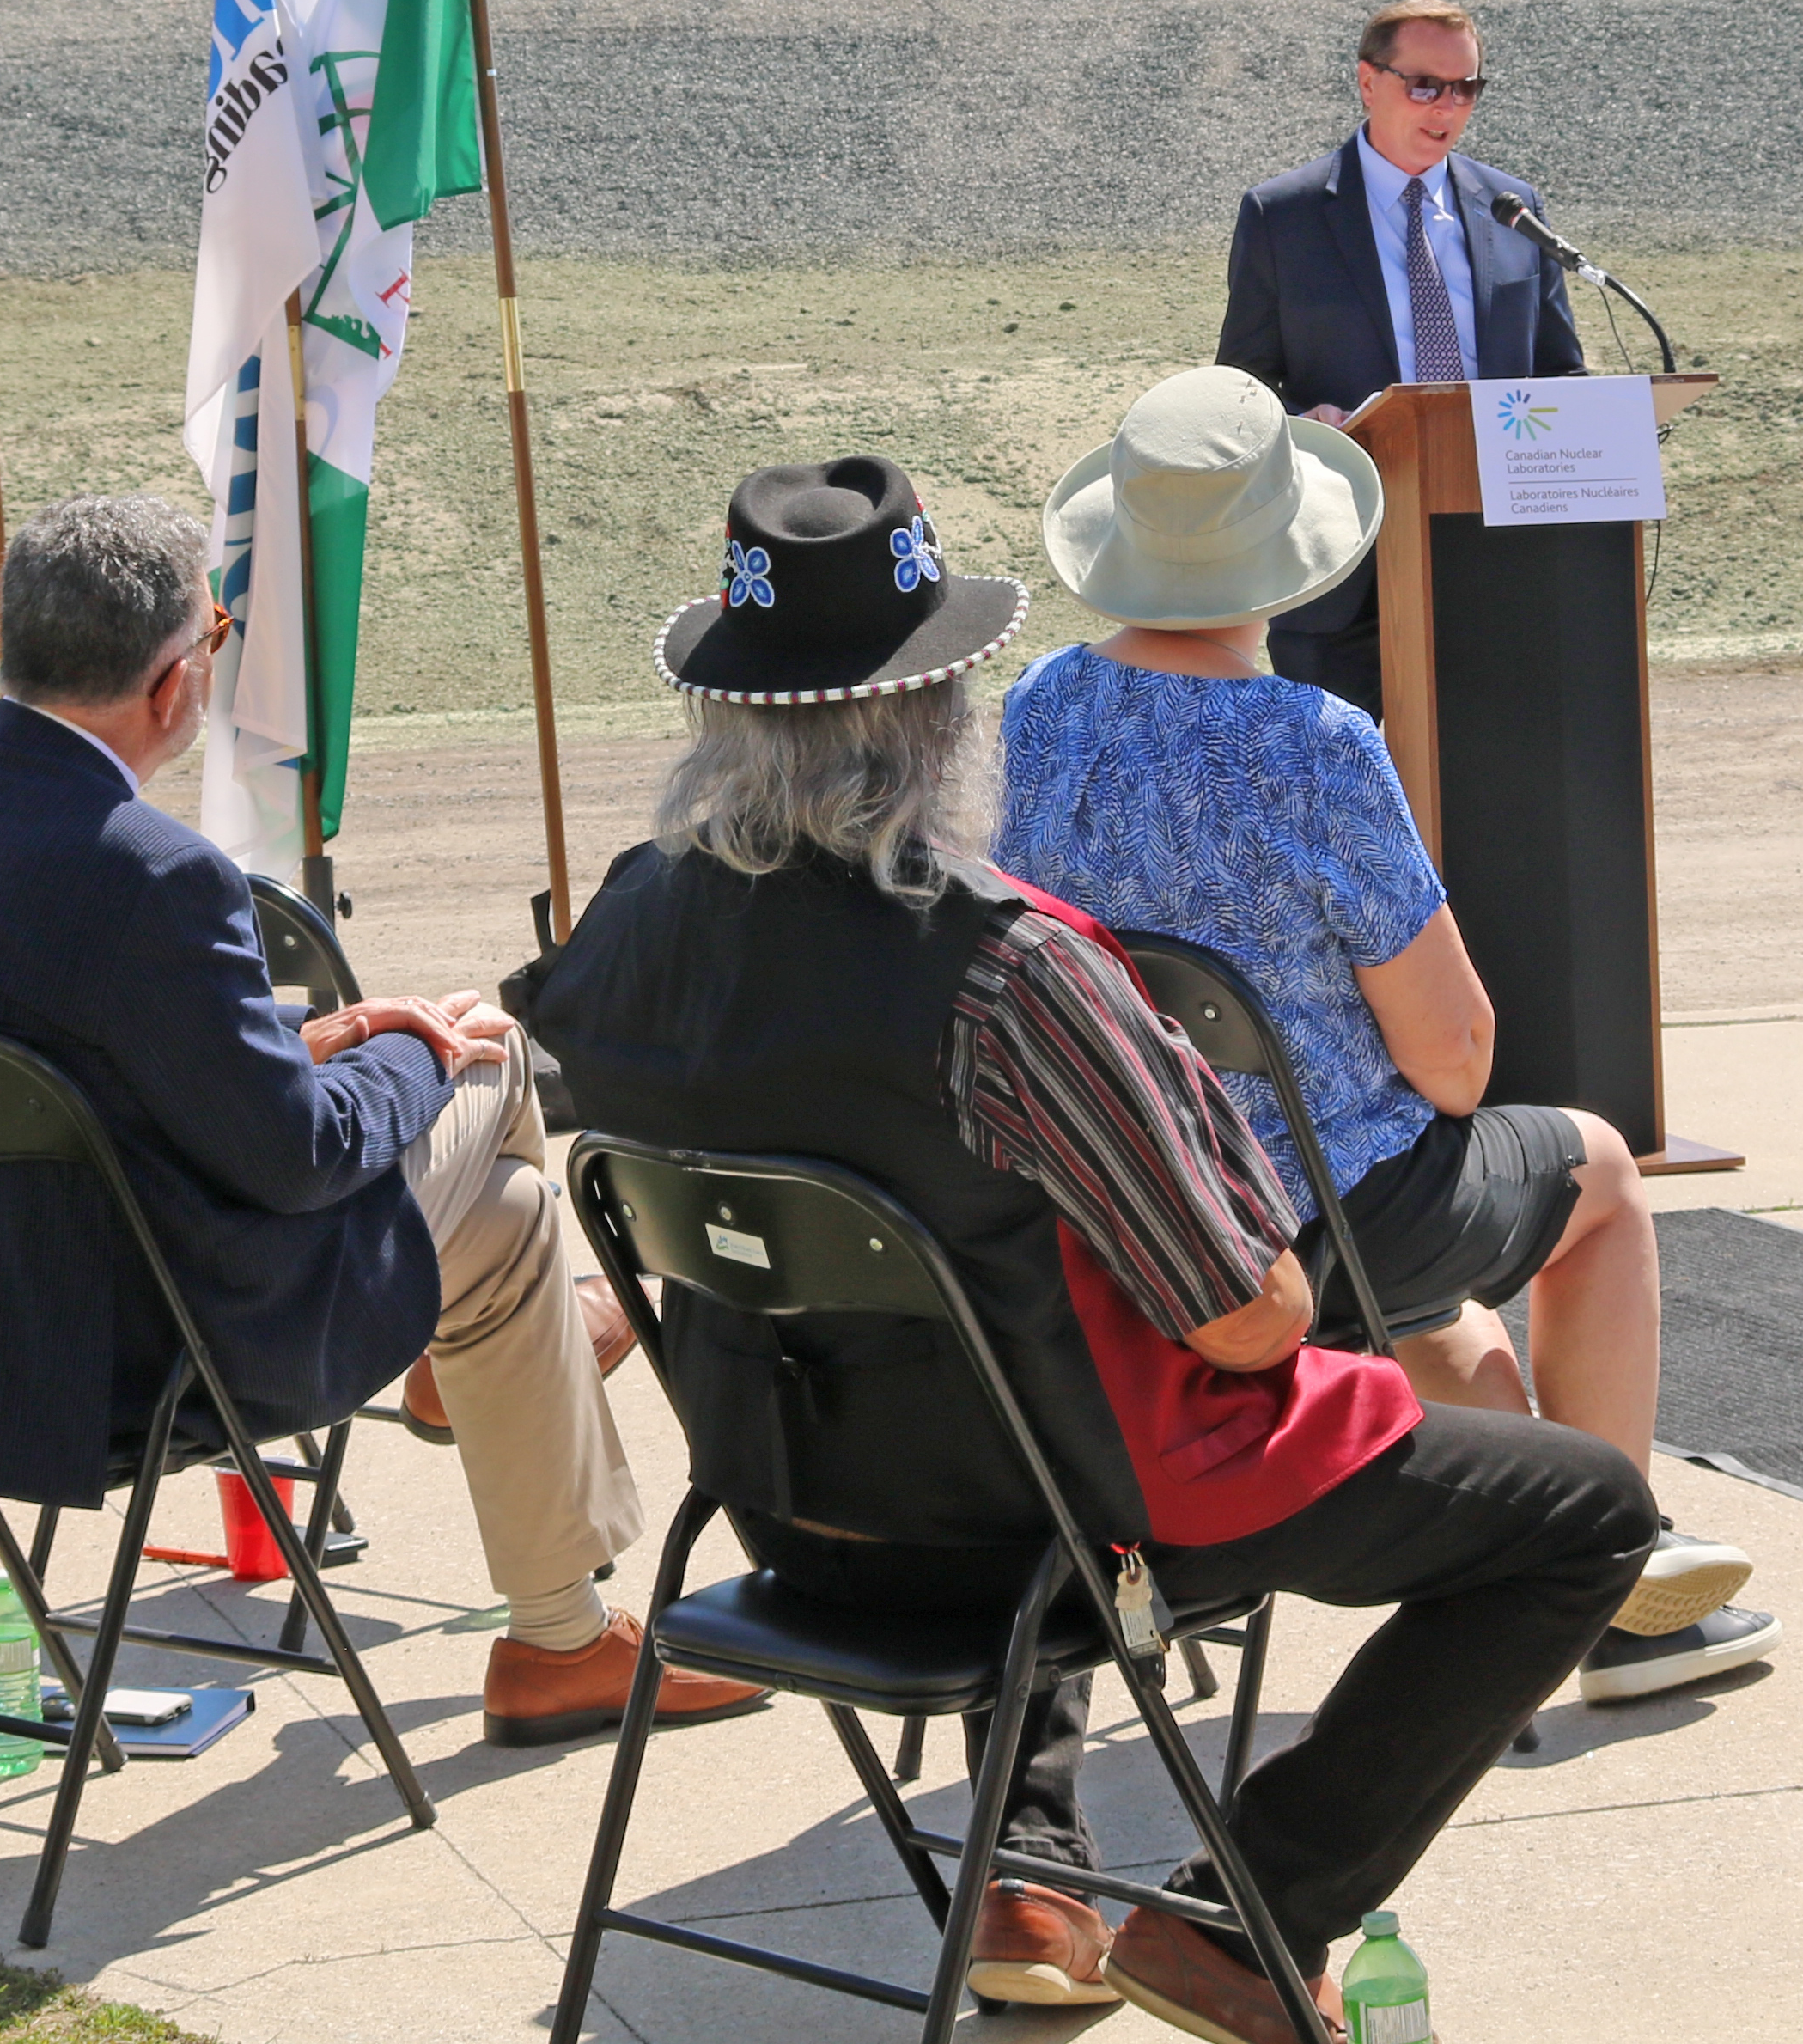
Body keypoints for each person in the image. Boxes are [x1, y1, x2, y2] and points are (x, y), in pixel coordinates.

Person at [529, 456, 1657, 2044]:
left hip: (786, 1502)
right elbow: (1254, 1319)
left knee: (999, 1349)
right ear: (937, 715)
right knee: (1584, 1513)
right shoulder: (1009, 968)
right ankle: (1249, 1914)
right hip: (1052, 1523)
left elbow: (562, 1058)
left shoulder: (632, 922)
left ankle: (1031, 1866)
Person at [0, 495, 762, 1750]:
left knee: (507, 1220)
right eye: (212, 632)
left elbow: (40, 1051)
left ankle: (553, 1613)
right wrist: (420, 1048)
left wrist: (309, 1039)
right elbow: (302, 1156)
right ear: (173, 685)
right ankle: (529, 1567)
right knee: (492, 1070)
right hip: (152, 1345)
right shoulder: (154, 872)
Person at [995, 364, 1778, 1702]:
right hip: (1298, 1222)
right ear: (1283, 559)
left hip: (1112, 1199)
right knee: (1590, 1175)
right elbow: (1454, 1059)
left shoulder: (1039, 706)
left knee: (1456, 1317)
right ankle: (1609, 1572)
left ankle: (1562, 1553)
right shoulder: (1313, 741)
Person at [1211, 0, 1586, 712]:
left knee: (1487, 784)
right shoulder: (1283, 216)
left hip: (1496, 558)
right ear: (1367, 81)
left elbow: (1561, 373)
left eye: (1466, 87)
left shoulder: (1514, 208)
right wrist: (1302, 421)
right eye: (1425, 85)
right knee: (1333, 806)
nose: (1447, 106)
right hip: (1343, 566)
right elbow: (1242, 389)